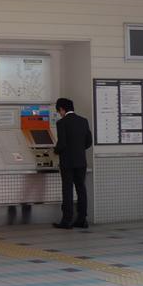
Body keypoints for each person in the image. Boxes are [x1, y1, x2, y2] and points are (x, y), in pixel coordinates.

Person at [52, 97, 92, 229]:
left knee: (67, 190)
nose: (59, 113)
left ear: (62, 109)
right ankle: (82, 219)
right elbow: (88, 142)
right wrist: (79, 150)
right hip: (81, 161)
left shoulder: (62, 123)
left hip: (67, 162)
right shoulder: (83, 121)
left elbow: (62, 144)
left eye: (59, 111)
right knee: (81, 189)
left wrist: (55, 151)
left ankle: (67, 220)